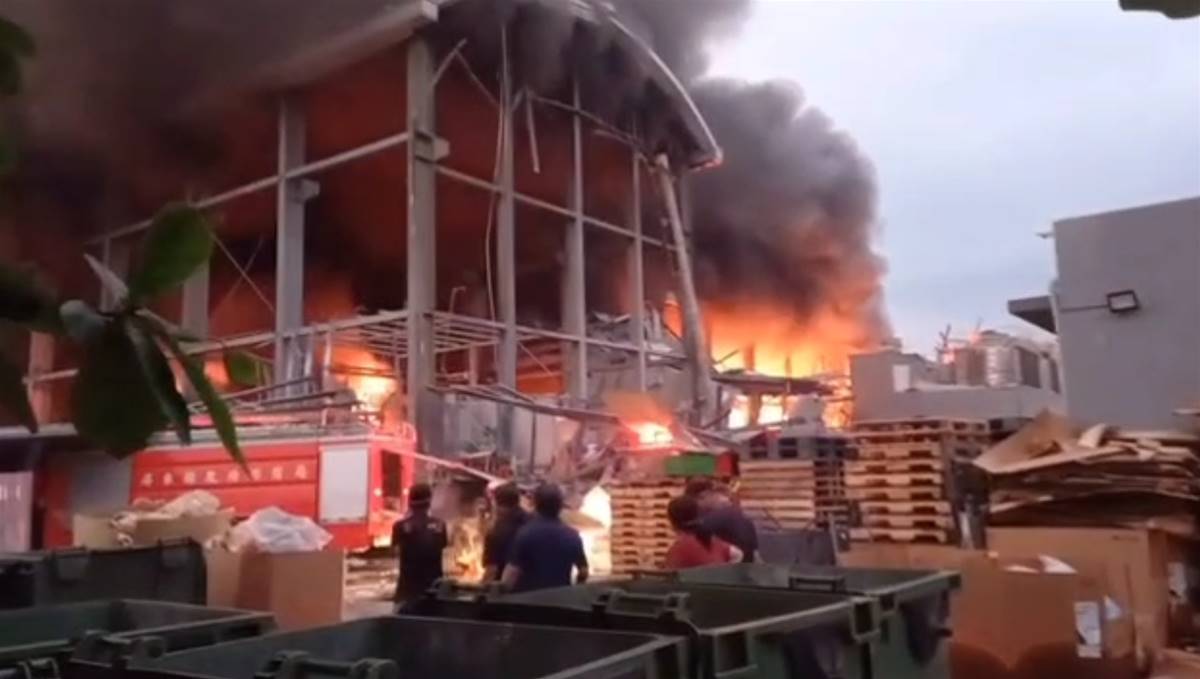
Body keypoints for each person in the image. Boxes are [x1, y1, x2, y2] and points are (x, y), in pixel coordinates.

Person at [501, 483, 589, 592]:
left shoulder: (525, 534)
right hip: (561, 598)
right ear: (560, 506)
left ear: (536, 505)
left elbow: (510, 576)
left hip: (529, 598)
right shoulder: (573, 536)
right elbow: (583, 571)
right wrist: (575, 589)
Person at [391, 483, 447, 610]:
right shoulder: (440, 525)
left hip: (406, 591)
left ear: (409, 502)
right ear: (429, 502)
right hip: (434, 591)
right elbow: (441, 546)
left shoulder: (400, 526)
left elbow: (394, 552)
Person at [685, 477, 759, 563]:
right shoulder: (735, 513)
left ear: (703, 496)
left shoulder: (715, 518)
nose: (696, 507)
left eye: (695, 502)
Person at [663, 494, 741, 569]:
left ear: (673, 522)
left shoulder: (679, 549)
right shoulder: (711, 540)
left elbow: (669, 574)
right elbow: (738, 554)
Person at [482, 483, 528, 583]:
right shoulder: (532, 522)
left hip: (505, 587)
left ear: (496, 503)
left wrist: (479, 589)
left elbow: (491, 571)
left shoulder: (496, 533)